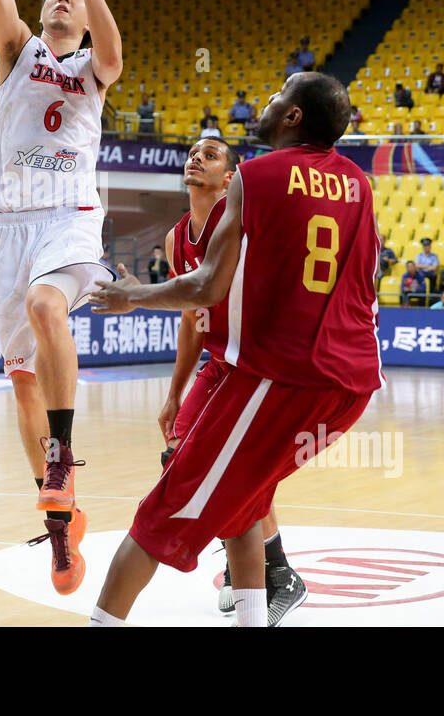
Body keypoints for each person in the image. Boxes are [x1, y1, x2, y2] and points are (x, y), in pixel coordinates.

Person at [85, 72, 382, 628]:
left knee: (161, 514)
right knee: (241, 497)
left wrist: (133, 295)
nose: (266, 102)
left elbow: (205, 289)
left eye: (277, 96)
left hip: (279, 375)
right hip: (351, 383)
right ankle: (266, 598)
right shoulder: (359, 184)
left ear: (293, 117)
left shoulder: (256, 176)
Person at [0, 0, 122, 594]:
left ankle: (63, 455)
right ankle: (63, 521)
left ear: (87, 20)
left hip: (69, 216)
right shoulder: (18, 55)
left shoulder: (92, 72)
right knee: (20, 385)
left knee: (46, 307)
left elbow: (116, 53)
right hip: (8, 229)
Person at [157, 137, 303, 619]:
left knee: (238, 468)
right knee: (179, 448)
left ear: (229, 179)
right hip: (222, 362)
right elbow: (191, 315)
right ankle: (259, 567)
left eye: (212, 155)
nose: (196, 157)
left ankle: (273, 572)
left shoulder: (240, 222)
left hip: (263, 361)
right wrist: (174, 391)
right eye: (194, 152)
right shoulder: (177, 239)